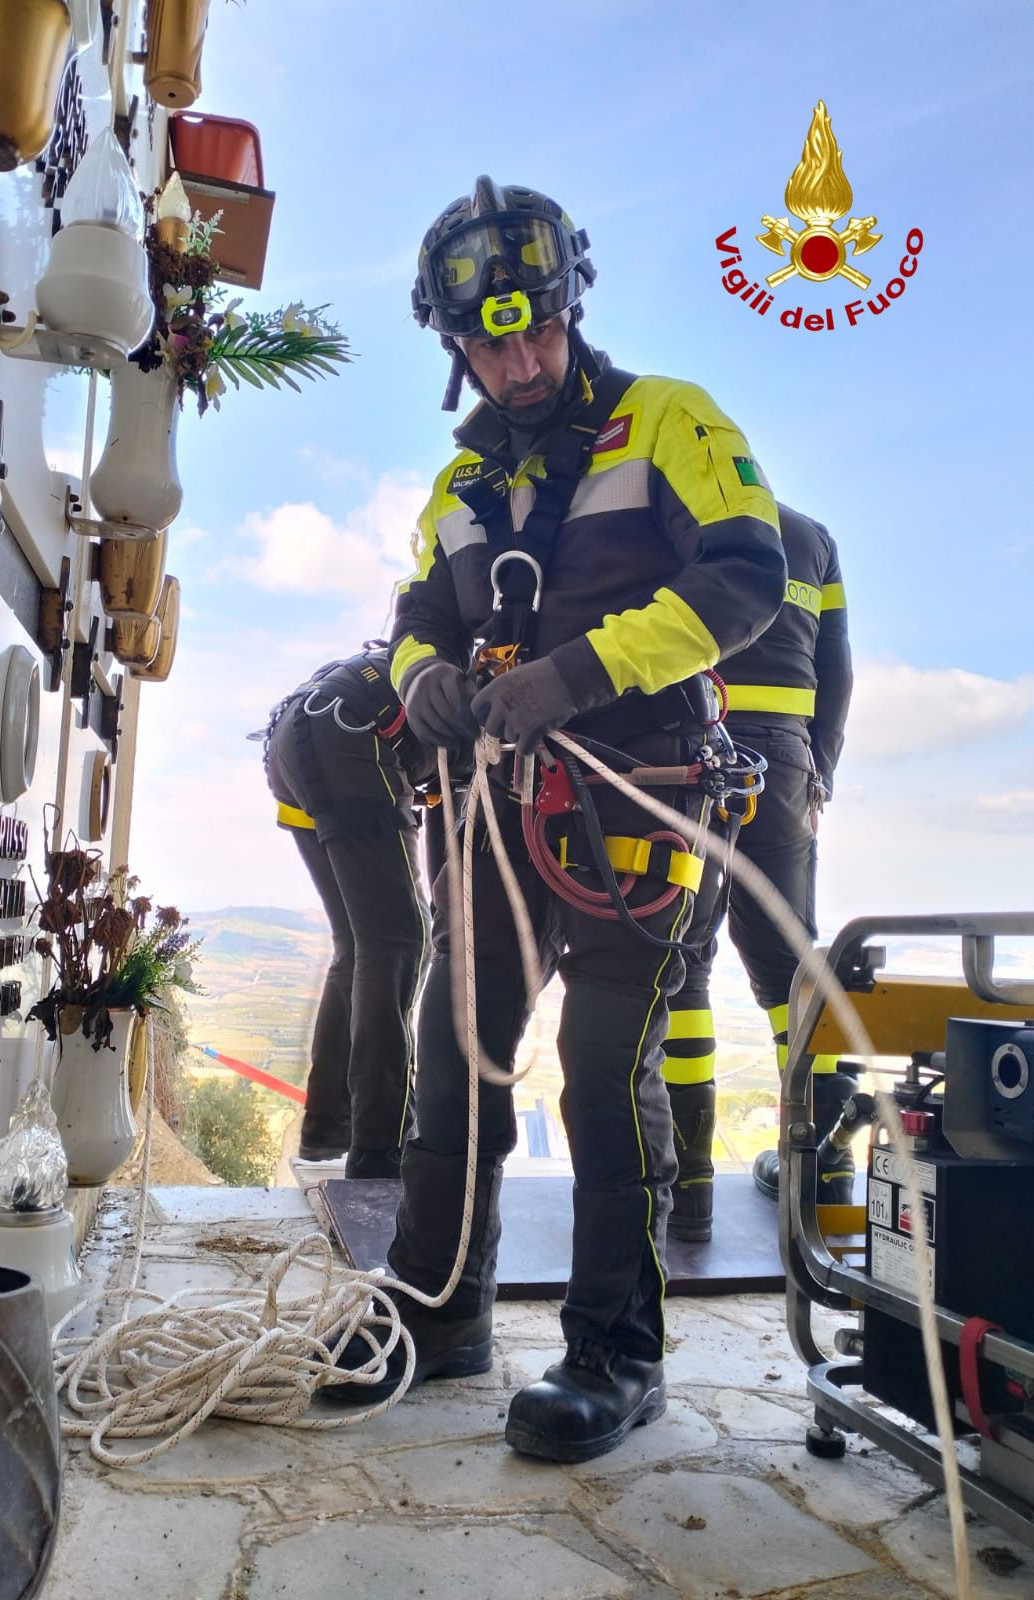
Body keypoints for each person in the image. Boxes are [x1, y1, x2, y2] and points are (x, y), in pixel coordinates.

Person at [324, 177, 785, 1462]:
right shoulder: (460, 480)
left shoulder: (670, 423)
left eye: (536, 329)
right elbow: (420, 615)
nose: (518, 360)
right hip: (493, 815)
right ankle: (436, 1313)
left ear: (572, 307)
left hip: (632, 816)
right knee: (458, 1048)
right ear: (454, 345)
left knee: (599, 1070)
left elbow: (748, 576)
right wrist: (425, 682)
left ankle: (613, 1356)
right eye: (489, 340)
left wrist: (574, 676)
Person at [662, 506, 854, 1241]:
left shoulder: (670, 515)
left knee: (680, 961)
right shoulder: (812, 534)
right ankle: (826, 1174)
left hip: (688, 752)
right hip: (784, 761)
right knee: (793, 968)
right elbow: (836, 664)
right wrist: (818, 771)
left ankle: (688, 1190)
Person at [258, 647, 432, 1179]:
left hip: (295, 738)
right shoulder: (491, 692)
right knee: (402, 940)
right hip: (350, 735)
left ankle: (329, 1127)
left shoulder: (442, 659)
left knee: (361, 944)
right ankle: (382, 1146)